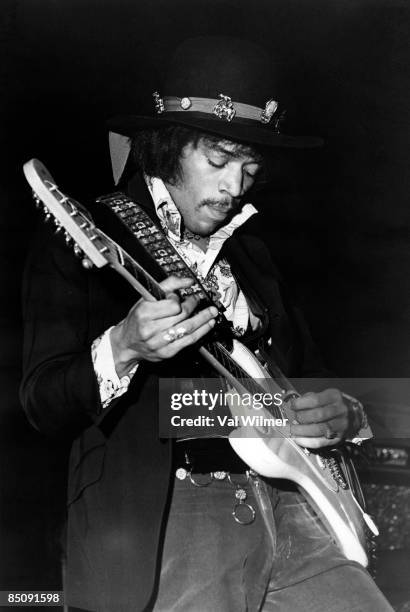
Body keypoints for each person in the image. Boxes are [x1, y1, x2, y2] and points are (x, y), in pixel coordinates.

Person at [20, 37, 393, 611]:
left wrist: (347, 413)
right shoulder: (89, 241)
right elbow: (42, 402)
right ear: (166, 150)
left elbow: (309, 373)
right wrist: (123, 346)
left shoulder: (254, 256)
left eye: (249, 168)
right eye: (217, 161)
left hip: (294, 508)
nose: (234, 187)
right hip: (175, 514)